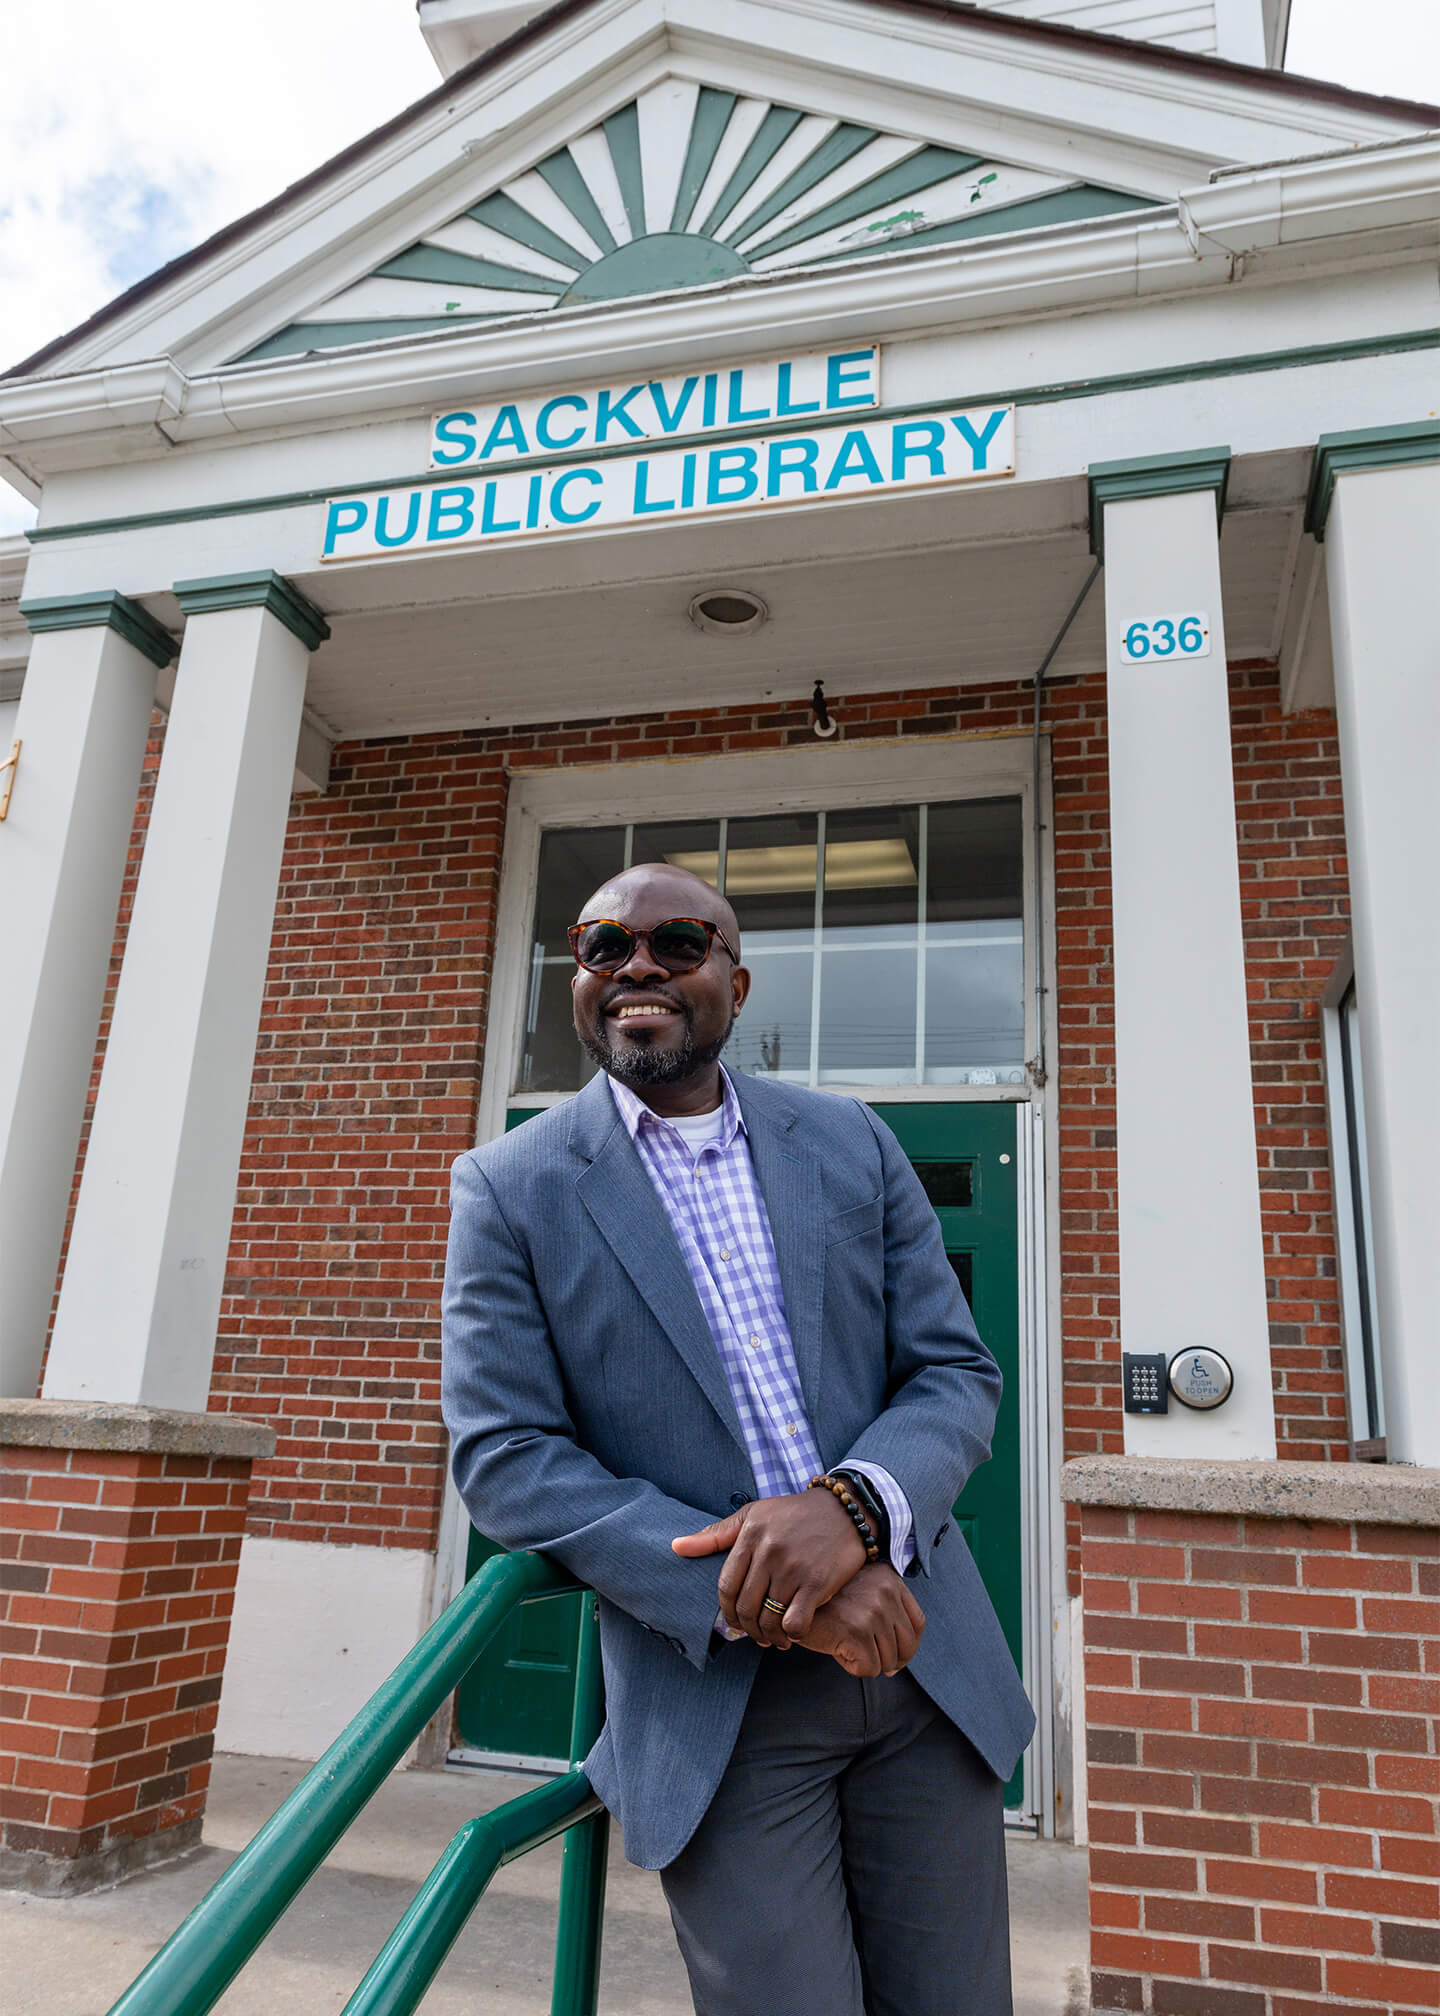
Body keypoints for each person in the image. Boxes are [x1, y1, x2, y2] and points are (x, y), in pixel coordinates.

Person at [441, 862, 1033, 2016]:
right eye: (603, 946)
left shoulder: (851, 1140)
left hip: (927, 1670)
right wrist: (785, 1592)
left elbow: (954, 1371)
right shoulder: (509, 1186)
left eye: (678, 941)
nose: (638, 967)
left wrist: (855, 1511)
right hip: (719, 1708)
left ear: (735, 979)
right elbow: (506, 1455)